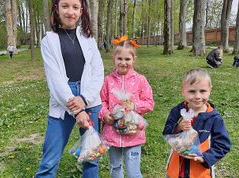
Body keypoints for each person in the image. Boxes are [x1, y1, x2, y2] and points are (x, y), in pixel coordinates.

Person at [35, 0, 104, 177]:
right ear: (56, 9)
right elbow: (55, 79)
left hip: (90, 99)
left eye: (75, 7)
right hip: (63, 100)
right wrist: (77, 109)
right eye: (65, 6)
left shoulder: (88, 38)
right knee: (50, 159)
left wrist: (85, 99)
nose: (70, 12)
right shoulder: (48, 40)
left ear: (82, 11)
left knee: (91, 157)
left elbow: (98, 71)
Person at [99, 35, 154, 178]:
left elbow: (149, 103)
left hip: (133, 133)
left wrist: (134, 106)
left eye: (127, 59)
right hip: (112, 134)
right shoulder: (108, 81)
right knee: (115, 167)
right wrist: (104, 114)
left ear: (134, 59)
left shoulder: (141, 80)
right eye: (120, 59)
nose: (123, 62)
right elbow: (101, 101)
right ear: (114, 59)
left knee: (133, 171)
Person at [163, 68, 231, 178]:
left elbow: (223, 144)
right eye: (192, 91)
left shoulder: (214, 117)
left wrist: (205, 158)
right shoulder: (178, 111)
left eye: (203, 91)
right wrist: (178, 128)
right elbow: (167, 132)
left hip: (199, 172)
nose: (197, 96)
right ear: (183, 90)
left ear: (210, 90)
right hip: (176, 170)